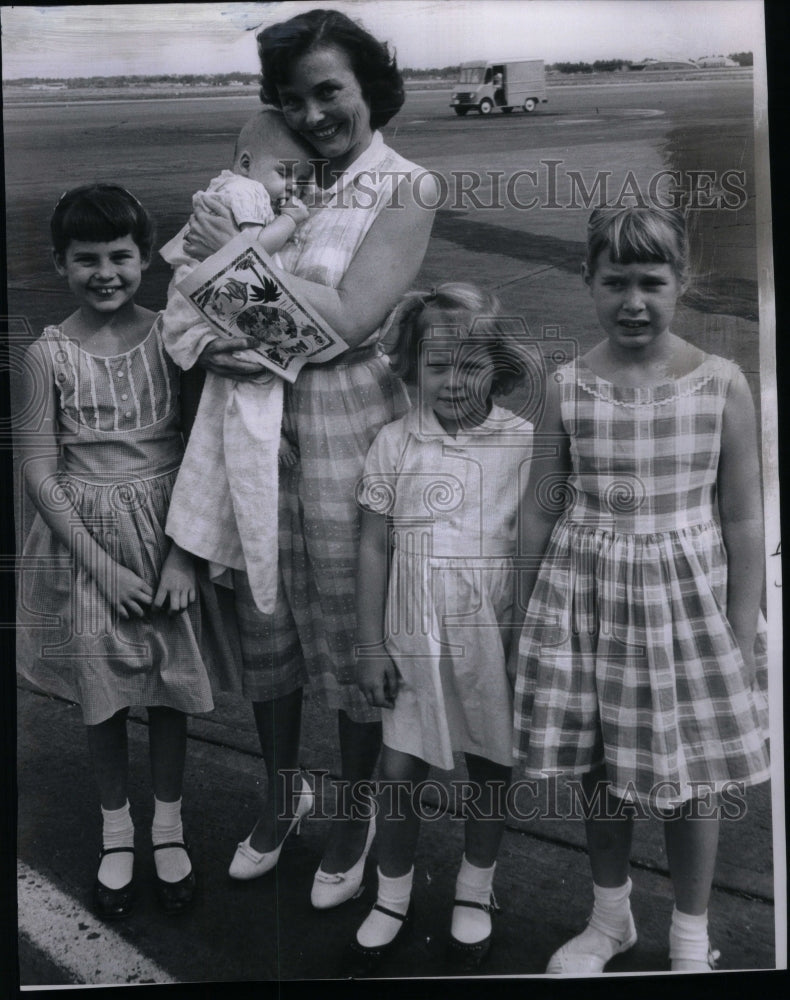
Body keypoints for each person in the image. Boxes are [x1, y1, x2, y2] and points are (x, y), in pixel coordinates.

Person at [179, 8, 438, 905]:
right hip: (253, 421)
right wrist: (231, 274)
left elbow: (343, 324)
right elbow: (205, 302)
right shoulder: (271, 179)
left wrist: (230, 270)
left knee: (346, 624)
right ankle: (281, 794)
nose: (315, 113)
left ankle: (353, 810)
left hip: (347, 427)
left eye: (329, 90)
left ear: (369, 85)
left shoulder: (405, 188)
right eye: (295, 98)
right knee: (267, 621)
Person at [511, 206, 770, 974]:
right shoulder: (566, 385)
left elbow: (745, 517)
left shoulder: (722, 383)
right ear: (588, 282)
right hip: (588, 600)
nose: (633, 301)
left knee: (692, 777)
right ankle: (610, 916)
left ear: (681, 283)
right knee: (602, 768)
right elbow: (539, 506)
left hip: (687, 608)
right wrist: (525, 618)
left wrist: (740, 625)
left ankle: (691, 932)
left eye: (651, 282)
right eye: (614, 281)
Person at [16, 184, 224, 920]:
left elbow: (204, 444)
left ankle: (168, 826)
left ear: (145, 258)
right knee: (103, 694)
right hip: (86, 541)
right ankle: (116, 830)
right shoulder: (46, 354)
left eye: (120, 256)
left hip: (168, 528)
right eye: (86, 260)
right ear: (60, 264)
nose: (105, 272)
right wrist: (100, 564)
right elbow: (41, 470)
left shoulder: (175, 336)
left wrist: (183, 556)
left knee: (168, 687)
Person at [342, 284, 533, 976]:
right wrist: (369, 646)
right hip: (412, 635)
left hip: (490, 634)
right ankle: (391, 892)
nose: (454, 382)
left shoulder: (524, 443)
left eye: (471, 365)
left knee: (490, 763)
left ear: (499, 366)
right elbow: (373, 544)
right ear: (413, 367)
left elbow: (533, 543)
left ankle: (475, 889)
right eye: (438, 365)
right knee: (398, 770)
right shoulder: (394, 442)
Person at [160, 109, 313, 618]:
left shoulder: (227, 186)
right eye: (285, 174)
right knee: (251, 381)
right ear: (248, 162)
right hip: (211, 304)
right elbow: (245, 258)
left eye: (301, 180)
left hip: (198, 304)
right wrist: (292, 220)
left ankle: (197, 539)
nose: (291, 189)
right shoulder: (246, 194)